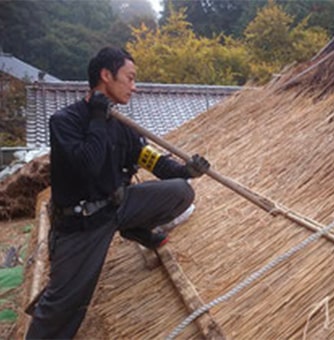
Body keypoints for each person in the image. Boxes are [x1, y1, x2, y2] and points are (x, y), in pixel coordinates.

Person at [25, 47, 210, 339]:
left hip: (118, 207)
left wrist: (186, 170)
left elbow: (151, 159)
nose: (134, 87)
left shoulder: (122, 126)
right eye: (130, 78)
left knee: (180, 192)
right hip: (82, 224)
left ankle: (135, 227)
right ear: (106, 76)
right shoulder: (65, 121)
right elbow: (88, 164)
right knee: (64, 306)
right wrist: (98, 118)